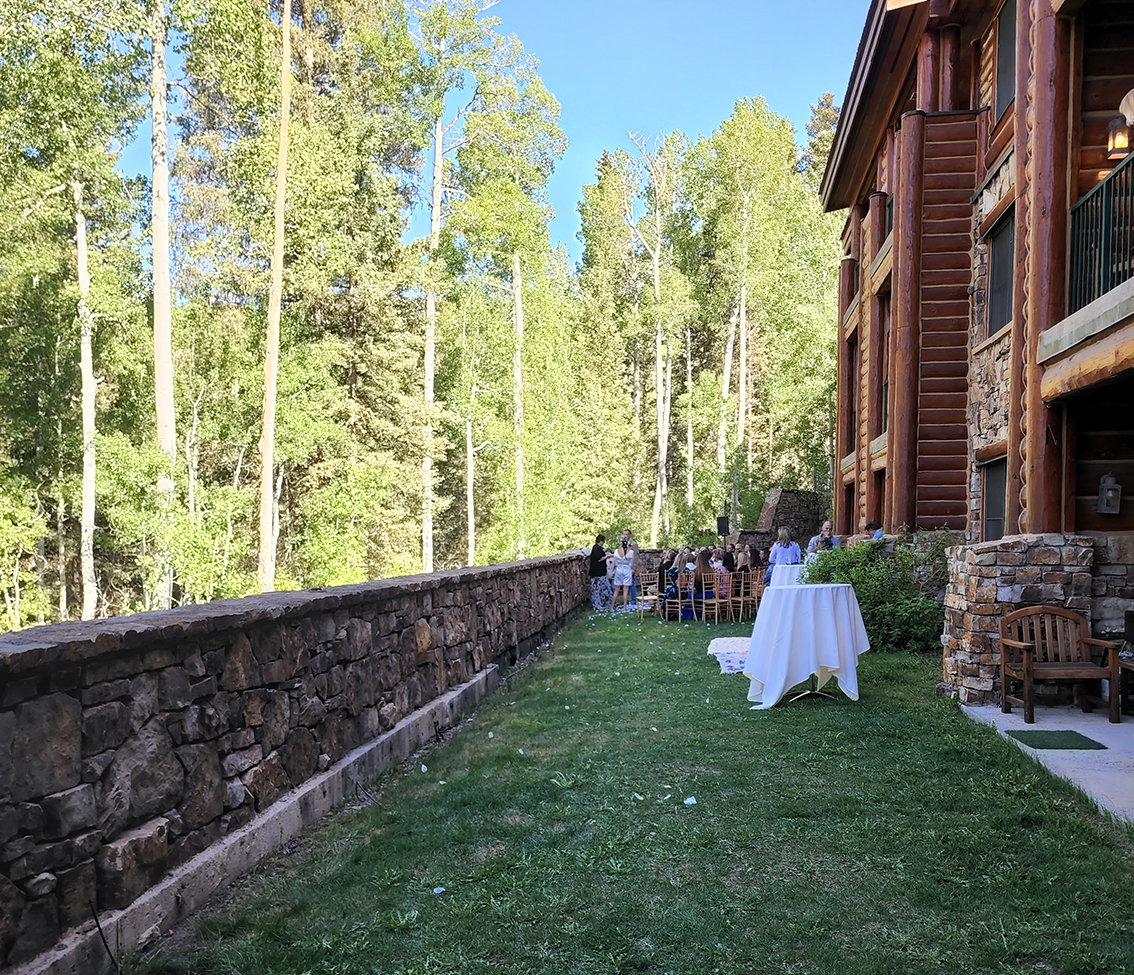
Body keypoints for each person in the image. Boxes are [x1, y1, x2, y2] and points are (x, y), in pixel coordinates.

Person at [609, 540, 635, 612]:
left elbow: (615, 562)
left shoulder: (616, 551)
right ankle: (624, 607)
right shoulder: (631, 552)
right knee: (625, 589)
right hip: (627, 570)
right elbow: (631, 563)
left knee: (616, 589)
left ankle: (612, 606)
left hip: (619, 570)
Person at [588, 534, 612, 611]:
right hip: (597, 573)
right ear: (601, 541)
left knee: (605, 589)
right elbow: (599, 559)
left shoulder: (598, 548)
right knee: (596, 590)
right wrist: (607, 556)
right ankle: (597, 605)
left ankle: (604, 603)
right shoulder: (596, 548)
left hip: (601, 573)